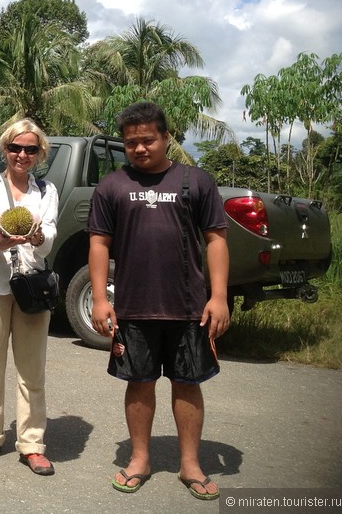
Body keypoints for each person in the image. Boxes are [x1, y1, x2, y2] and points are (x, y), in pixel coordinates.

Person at [87, 101, 230, 500]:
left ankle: (190, 465)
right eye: (131, 142)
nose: (140, 148)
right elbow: (99, 243)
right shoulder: (112, 186)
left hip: (188, 308)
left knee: (188, 384)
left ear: (166, 138)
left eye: (148, 140)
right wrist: (100, 299)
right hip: (133, 307)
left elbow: (216, 239)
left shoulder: (196, 180)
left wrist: (218, 296)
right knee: (139, 382)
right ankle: (139, 459)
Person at [0, 119, 59, 476]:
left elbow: (49, 230)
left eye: (31, 149)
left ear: (39, 154)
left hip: (31, 283)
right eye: (16, 148)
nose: (22, 154)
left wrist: (38, 238)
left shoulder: (46, 191)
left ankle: (32, 443)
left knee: (32, 369)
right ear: (5, 149)